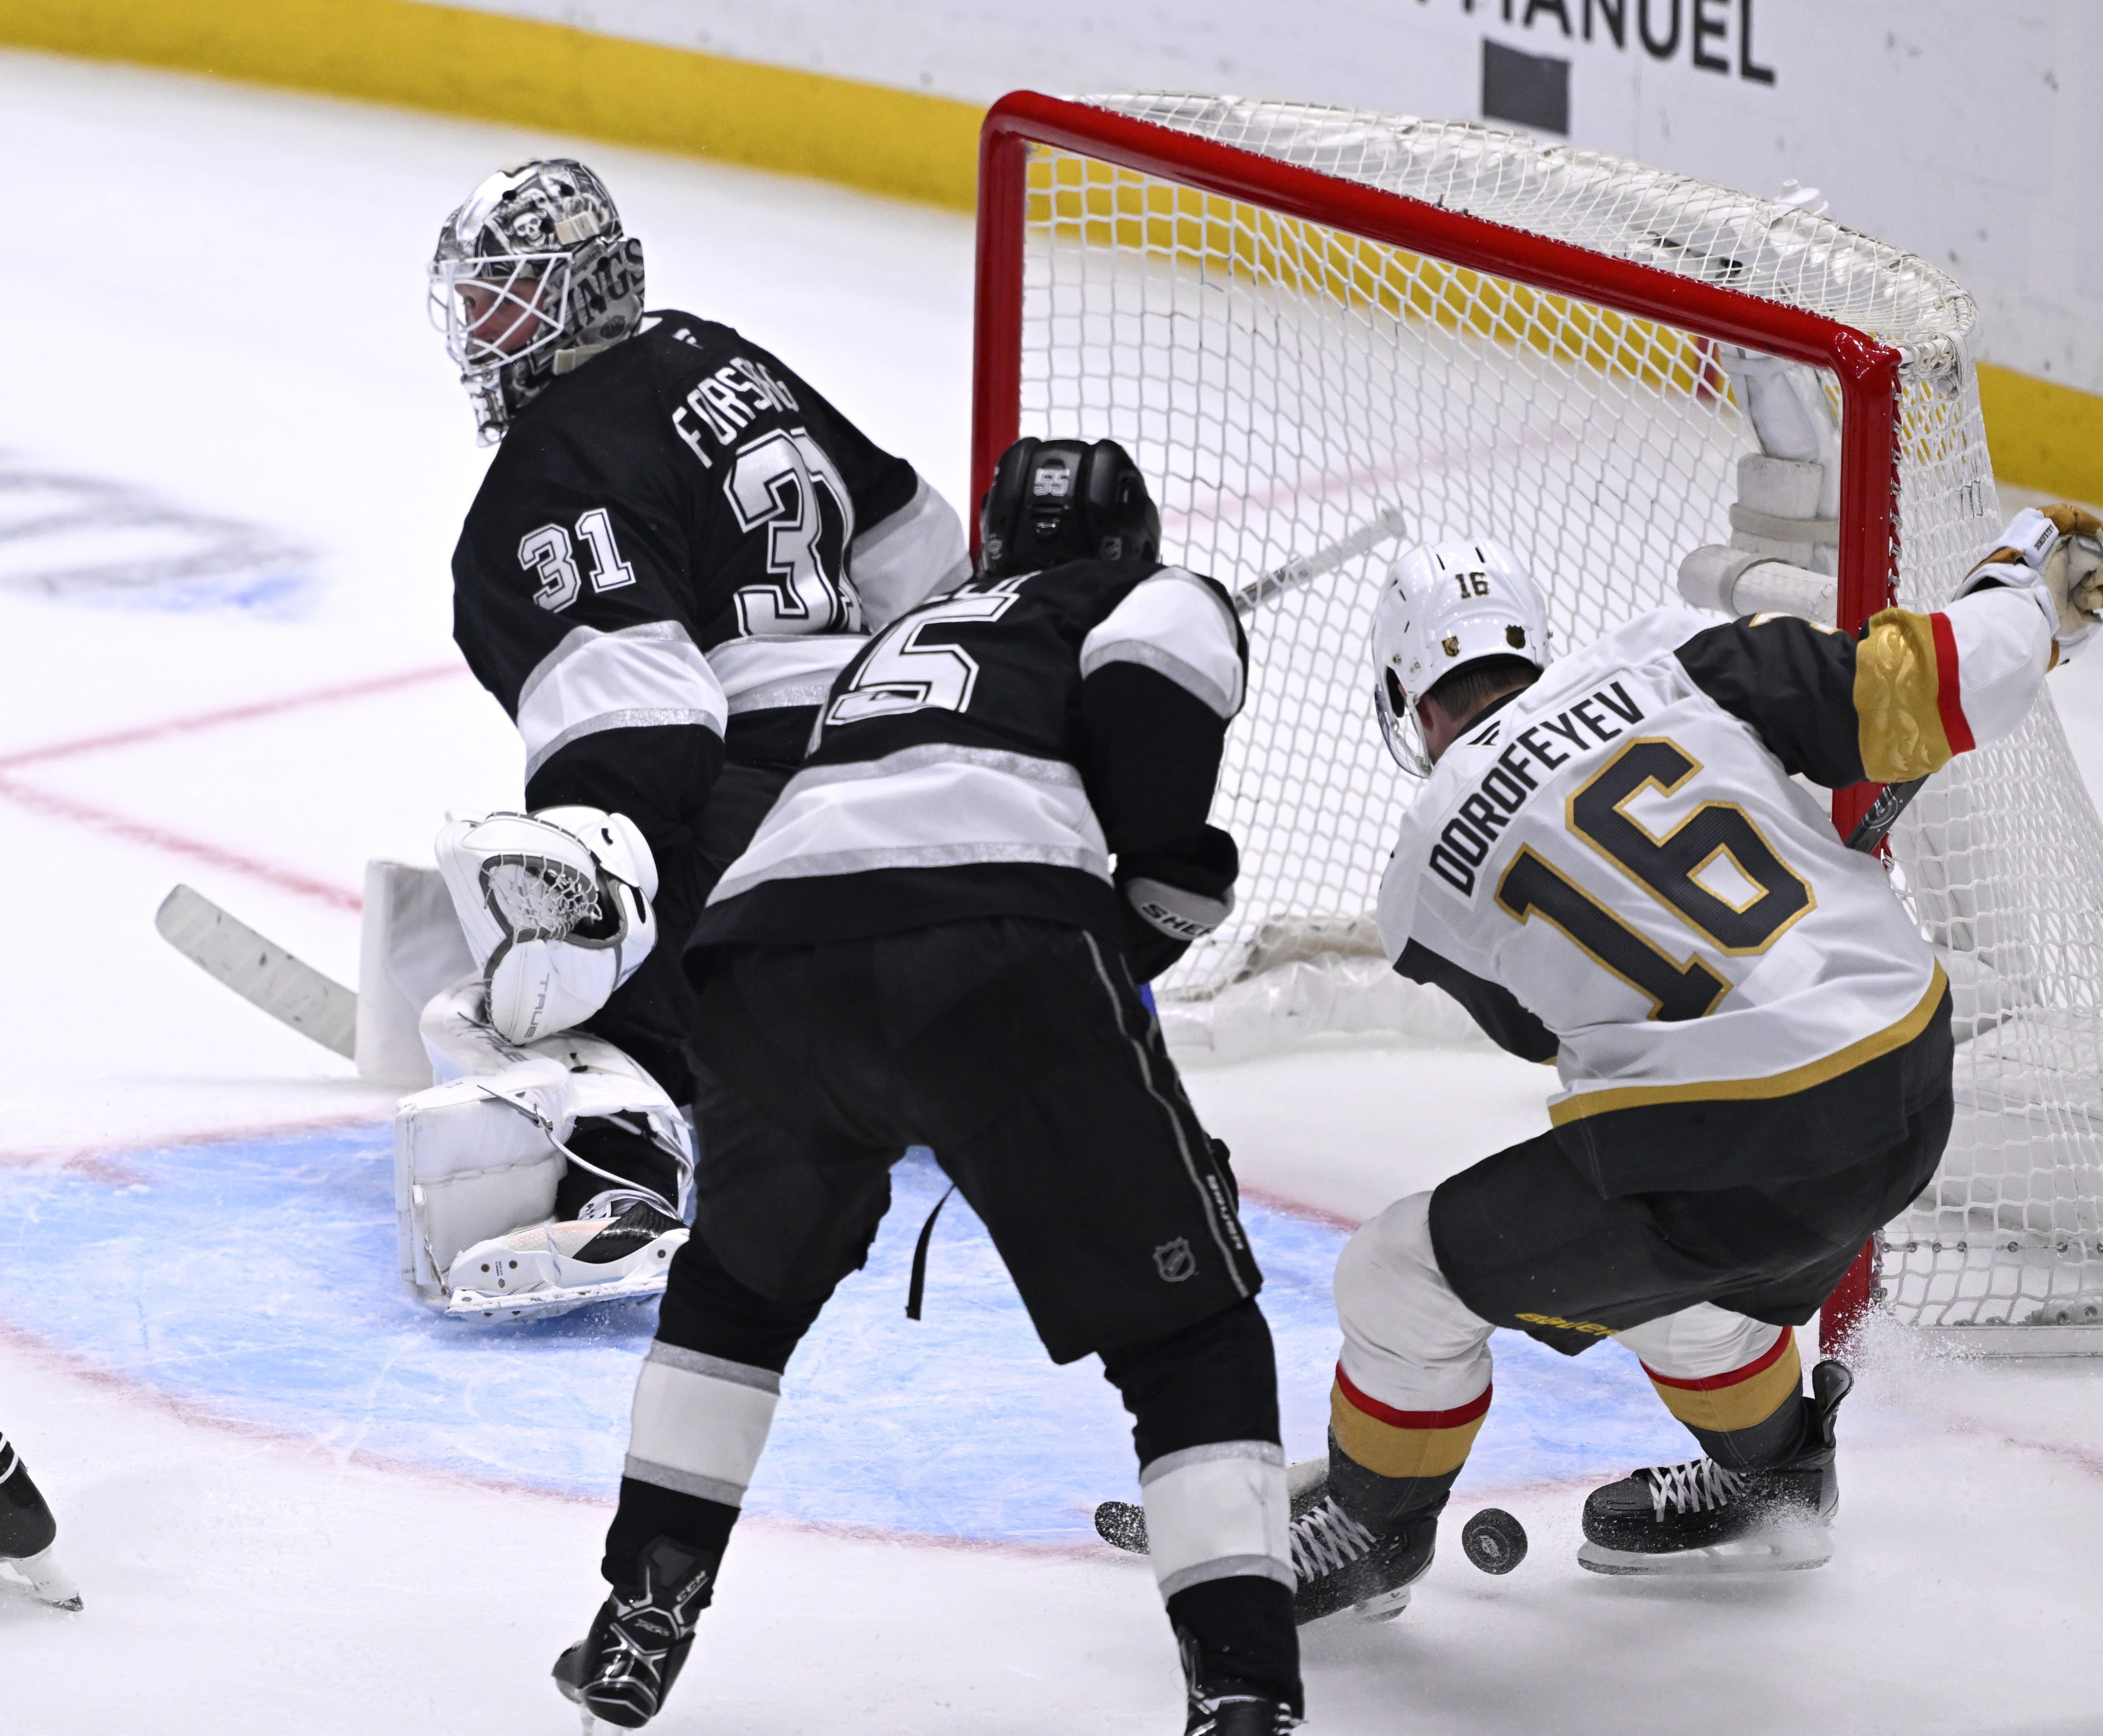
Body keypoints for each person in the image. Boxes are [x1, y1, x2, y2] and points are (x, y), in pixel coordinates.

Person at [551, 439, 1304, 1734]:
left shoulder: (904, 635)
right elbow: (1158, 754)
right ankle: (1241, 1688)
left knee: (737, 1293)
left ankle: (638, 1619)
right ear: (1130, 540)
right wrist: (1176, 876)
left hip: (764, 969)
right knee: (1193, 1334)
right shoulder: (1152, 595)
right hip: (989, 952)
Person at [1277, 504, 2099, 1615]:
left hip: (1738, 1145)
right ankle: (1776, 1485)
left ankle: (1370, 1533)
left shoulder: (1421, 869)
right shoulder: (1675, 655)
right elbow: (1926, 684)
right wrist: (2021, 584)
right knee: (1685, 1272)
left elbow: (1539, 1032)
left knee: (1399, 1272)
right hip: (1905, 1077)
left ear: (1406, 702)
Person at [402, 159, 970, 1317]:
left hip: (783, 872)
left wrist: (583, 937)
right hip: (936, 845)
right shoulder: (721, 357)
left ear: (577, 294)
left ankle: (626, 1175)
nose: (476, 327)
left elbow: (645, 738)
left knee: (566, 898)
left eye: (503, 296)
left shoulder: (550, 462)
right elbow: (930, 557)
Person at [0, 1428, 80, 1611]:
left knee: (24, 1534)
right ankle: (58, 1588)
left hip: (20, 1527)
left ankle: (56, 1588)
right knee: (27, 1534)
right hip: (31, 1519)